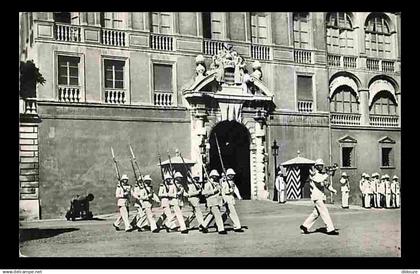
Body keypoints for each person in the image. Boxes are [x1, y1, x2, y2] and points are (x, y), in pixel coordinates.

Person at [300, 159, 339, 235]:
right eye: (319, 165)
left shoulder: (322, 174)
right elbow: (319, 180)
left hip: (321, 196)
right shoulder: (314, 174)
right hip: (316, 196)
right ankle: (330, 229)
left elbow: (326, 184)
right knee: (324, 212)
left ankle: (305, 226)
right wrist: (328, 173)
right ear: (316, 166)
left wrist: (333, 190)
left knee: (316, 213)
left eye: (322, 165)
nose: (321, 167)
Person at [202, 170, 227, 234]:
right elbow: (205, 193)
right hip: (211, 201)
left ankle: (204, 225)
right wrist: (214, 191)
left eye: (216, 176)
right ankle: (221, 229)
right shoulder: (207, 184)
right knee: (217, 215)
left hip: (217, 201)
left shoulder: (217, 184)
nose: (215, 177)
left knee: (212, 214)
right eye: (214, 176)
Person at [220, 168, 244, 232]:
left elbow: (235, 189)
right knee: (232, 212)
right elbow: (222, 192)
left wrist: (239, 196)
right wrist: (224, 199)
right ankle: (237, 226)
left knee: (228, 213)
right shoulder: (224, 181)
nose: (233, 176)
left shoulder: (231, 181)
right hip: (227, 198)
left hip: (231, 198)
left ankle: (219, 223)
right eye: (232, 175)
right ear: (229, 175)